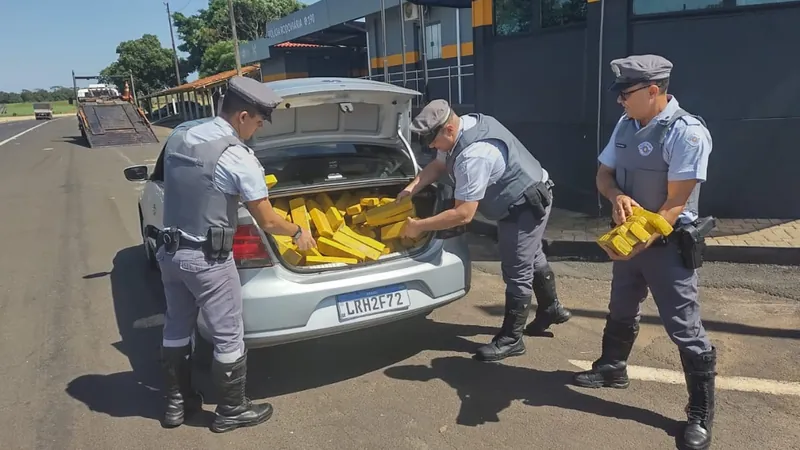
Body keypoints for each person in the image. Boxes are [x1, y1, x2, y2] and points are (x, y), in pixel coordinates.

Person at [155, 76, 316, 433]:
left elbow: (176, 185)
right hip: (207, 261)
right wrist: (299, 231)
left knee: (176, 326)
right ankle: (231, 409)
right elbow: (269, 221)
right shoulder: (237, 157)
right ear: (243, 116)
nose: (256, 131)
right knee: (229, 335)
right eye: (258, 122)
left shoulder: (181, 136)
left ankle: (177, 404)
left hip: (170, 254)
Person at [571, 54, 716, 450]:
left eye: (625, 93)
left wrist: (634, 242)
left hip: (666, 245)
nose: (619, 100)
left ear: (654, 91)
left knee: (684, 328)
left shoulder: (687, 134)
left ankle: (700, 413)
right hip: (629, 239)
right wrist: (617, 196)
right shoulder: (626, 124)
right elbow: (603, 174)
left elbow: (674, 205)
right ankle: (612, 367)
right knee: (621, 306)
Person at [398, 99, 571, 362]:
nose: (432, 147)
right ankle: (551, 309)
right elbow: (438, 165)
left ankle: (512, 340)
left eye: (433, 142)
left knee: (517, 269)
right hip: (529, 191)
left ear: (448, 130)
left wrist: (418, 226)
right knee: (531, 256)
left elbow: (463, 214)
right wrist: (410, 190)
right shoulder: (465, 126)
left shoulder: (472, 156)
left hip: (523, 204)